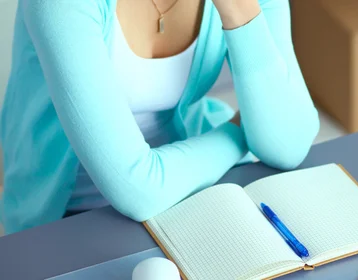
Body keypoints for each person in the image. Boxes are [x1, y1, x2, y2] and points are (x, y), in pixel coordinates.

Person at [0, 0, 319, 234]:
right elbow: (137, 189)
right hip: (71, 211)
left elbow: (287, 146)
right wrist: (239, 131)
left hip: (190, 182)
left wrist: (239, 8)